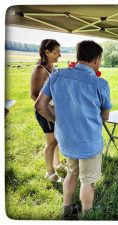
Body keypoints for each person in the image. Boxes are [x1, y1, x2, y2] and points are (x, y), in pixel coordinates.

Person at [35, 40, 111, 219]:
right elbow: (105, 116)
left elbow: (40, 105)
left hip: (67, 139)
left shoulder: (57, 75)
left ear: (78, 57)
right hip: (89, 141)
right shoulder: (100, 83)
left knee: (71, 173)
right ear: (97, 60)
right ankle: (87, 215)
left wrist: (58, 121)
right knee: (87, 181)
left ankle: (67, 211)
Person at [30, 39, 64, 182]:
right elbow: (34, 95)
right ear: (47, 52)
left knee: (56, 139)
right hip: (45, 111)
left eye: (59, 52)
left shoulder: (54, 69)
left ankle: (56, 163)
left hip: (55, 109)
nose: (59, 55)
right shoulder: (40, 69)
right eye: (56, 52)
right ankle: (50, 174)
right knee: (51, 142)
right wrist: (50, 109)